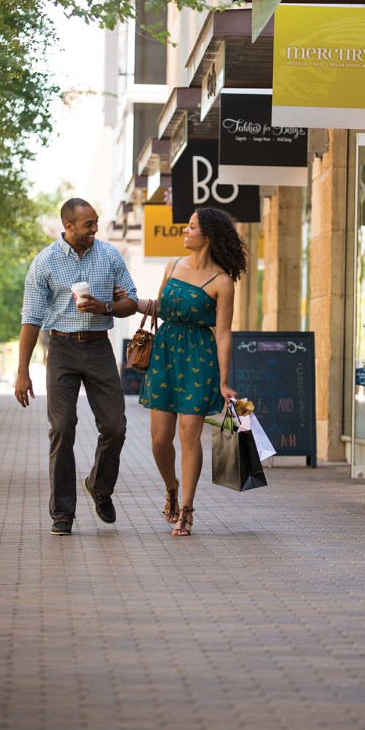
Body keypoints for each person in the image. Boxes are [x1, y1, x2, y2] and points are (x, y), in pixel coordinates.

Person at [15, 198, 138, 536]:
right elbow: (31, 319)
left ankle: (99, 486)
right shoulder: (45, 262)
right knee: (62, 427)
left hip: (99, 346)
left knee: (115, 427)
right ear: (68, 227)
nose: (95, 230)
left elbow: (131, 301)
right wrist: (23, 370)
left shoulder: (109, 255)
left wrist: (106, 307)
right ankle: (62, 512)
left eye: (96, 222)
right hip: (62, 349)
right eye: (89, 225)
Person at [125, 208, 247, 537]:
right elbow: (162, 308)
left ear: (207, 236)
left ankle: (188, 509)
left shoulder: (223, 281)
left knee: (189, 436)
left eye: (191, 228)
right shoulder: (173, 265)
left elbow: (223, 333)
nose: (185, 231)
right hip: (165, 352)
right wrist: (130, 302)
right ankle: (171, 488)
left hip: (199, 358)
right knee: (159, 440)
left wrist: (223, 382)